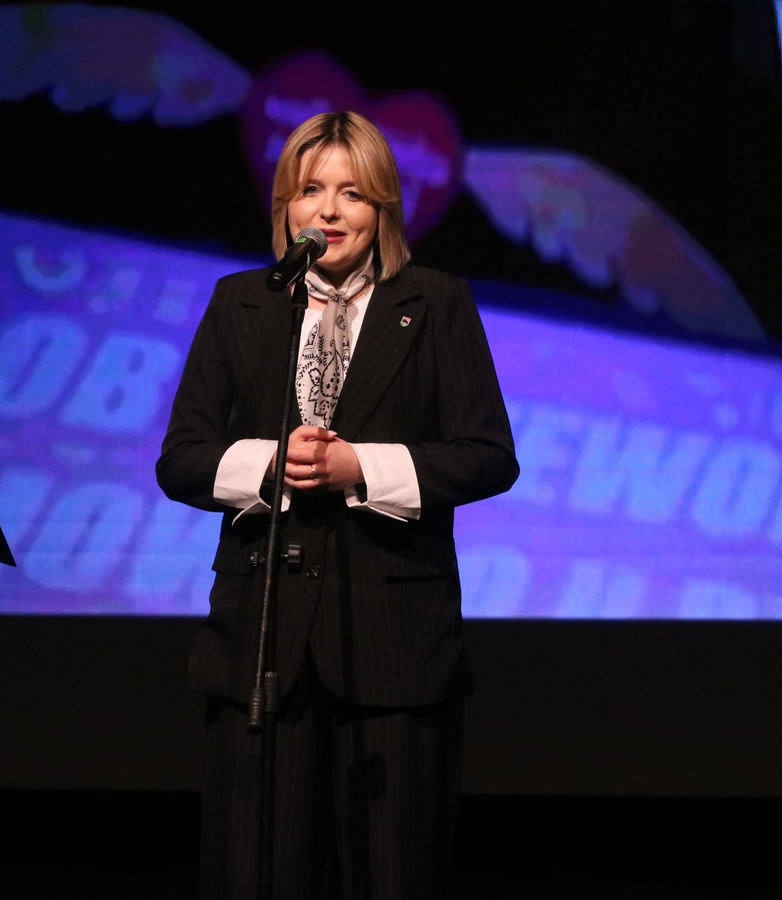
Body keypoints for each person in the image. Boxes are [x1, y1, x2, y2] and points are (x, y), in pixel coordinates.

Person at [156, 111, 519, 899]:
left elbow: (488, 455)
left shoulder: (435, 302)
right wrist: (271, 465)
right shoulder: (241, 303)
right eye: (310, 191)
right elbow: (180, 460)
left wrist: (360, 468)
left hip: (395, 644)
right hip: (261, 643)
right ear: (285, 206)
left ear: (383, 206)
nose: (328, 211)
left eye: (352, 193)